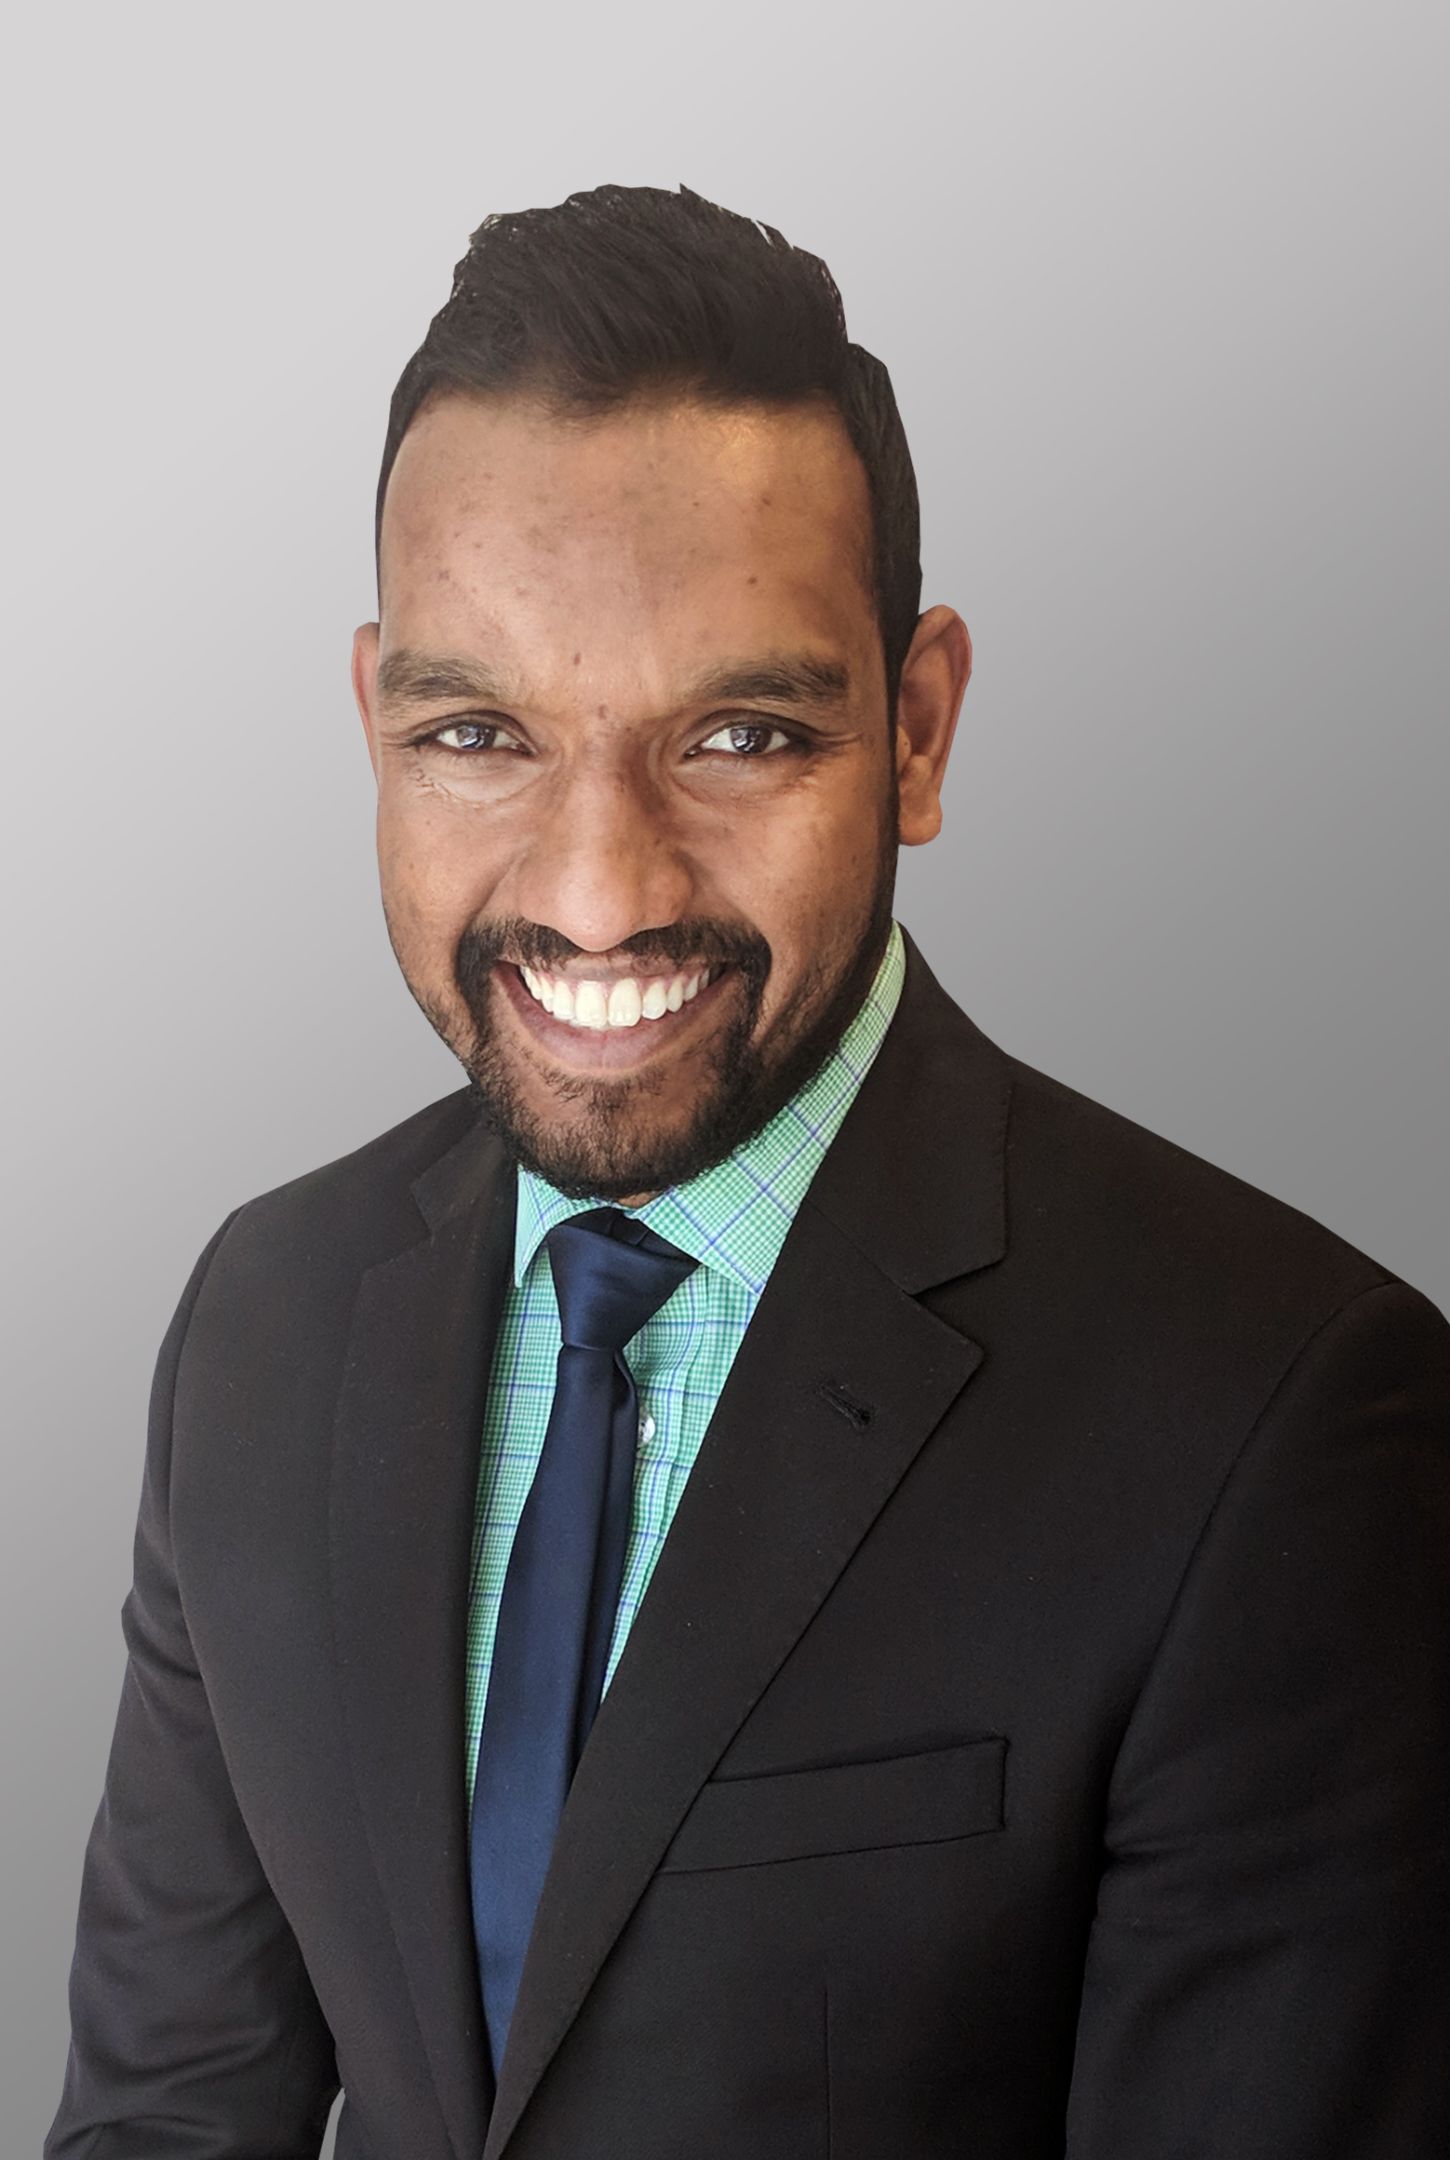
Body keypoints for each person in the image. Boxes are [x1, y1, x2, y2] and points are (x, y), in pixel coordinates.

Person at [45, 182, 1450, 2160]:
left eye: (734, 733)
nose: (597, 888)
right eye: (478, 734)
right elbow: (167, 2123)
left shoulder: (1275, 1416)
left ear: (918, 730)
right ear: (374, 723)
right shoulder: (262, 1319)